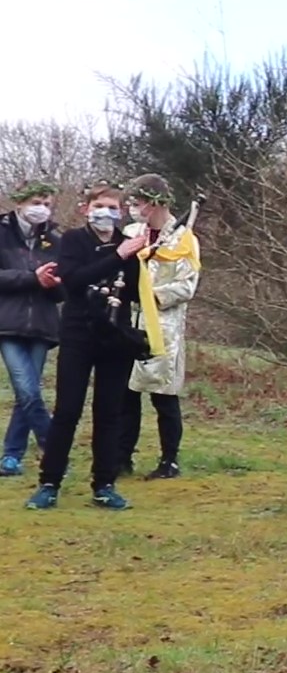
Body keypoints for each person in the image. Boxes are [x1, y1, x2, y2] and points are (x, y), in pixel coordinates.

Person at [27, 183, 141, 510]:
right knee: (68, 409)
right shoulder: (74, 240)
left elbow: (135, 291)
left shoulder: (129, 244)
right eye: (99, 206)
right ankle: (49, 482)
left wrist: (140, 257)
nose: (106, 213)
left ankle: (104, 483)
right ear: (86, 209)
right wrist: (117, 256)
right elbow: (73, 280)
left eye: (112, 207)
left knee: (109, 411)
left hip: (115, 335)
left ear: (121, 211)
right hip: (78, 333)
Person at [117, 175, 201, 482]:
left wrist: (152, 296)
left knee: (163, 396)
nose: (134, 208)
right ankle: (122, 456)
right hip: (128, 322)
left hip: (163, 326)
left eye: (138, 202)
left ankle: (169, 460)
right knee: (126, 394)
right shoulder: (131, 233)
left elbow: (186, 285)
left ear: (154, 203)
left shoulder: (184, 240)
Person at [0, 179, 62, 479]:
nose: (42, 209)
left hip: (42, 325)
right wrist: (31, 277)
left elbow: (63, 289)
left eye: (47, 204)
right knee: (27, 388)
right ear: (20, 203)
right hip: (7, 323)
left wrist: (54, 284)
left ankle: (12, 456)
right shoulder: (2, 233)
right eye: (37, 203)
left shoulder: (55, 239)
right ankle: (54, 450)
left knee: (28, 392)